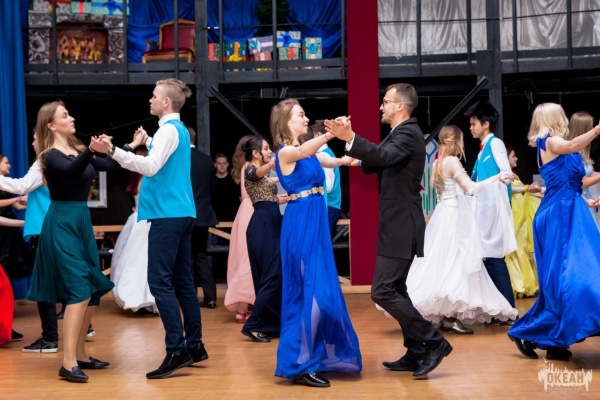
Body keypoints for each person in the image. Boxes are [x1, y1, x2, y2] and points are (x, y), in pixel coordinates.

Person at [325, 83, 451, 378]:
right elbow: (376, 162)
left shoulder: (407, 132)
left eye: (385, 102)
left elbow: (381, 158)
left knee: (382, 291)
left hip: (402, 224)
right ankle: (417, 351)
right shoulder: (400, 134)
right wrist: (354, 149)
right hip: (398, 224)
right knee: (396, 290)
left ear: (400, 106)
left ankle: (435, 342)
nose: (381, 106)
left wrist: (351, 137)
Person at [91, 79, 207, 379]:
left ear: (166, 102)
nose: (150, 100)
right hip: (181, 212)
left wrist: (113, 150)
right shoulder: (175, 130)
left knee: (159, 282)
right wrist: (147, 140)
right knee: (182, 281)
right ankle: (194, 345)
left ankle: (177, 350)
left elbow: (151, 167)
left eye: (154, 96)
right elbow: (163, 158)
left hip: (167, 215)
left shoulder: (168, 131)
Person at [273, 98, 361, 388]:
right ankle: (300, 363)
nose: (306, 119)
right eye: (301, 115)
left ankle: (310, 356)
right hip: (300, 224)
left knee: (318, 292)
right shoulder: (287, 151)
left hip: (315, 222)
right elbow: (303, 151)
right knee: (306, 293)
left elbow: (326, 160)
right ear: (286, 122)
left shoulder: (308, 153)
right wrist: (330, 134)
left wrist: (346, 160)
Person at [26, 101, 115, 383]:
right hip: (61, 222)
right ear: (51, 125)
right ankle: (67, 363)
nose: (71, 118)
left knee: (92, 287)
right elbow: (71, 171)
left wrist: (112, 148)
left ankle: (80, 355)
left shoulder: (77, 149)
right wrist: (91, 150)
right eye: (65, 115)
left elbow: (107, 165)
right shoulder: (49, 155)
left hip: (80, 221)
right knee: (79, 289)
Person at [401, 125, 518, 334]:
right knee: (456, 263)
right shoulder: (452, 162)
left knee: (443, 263)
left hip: (441, 216)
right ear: (457, 141)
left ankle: (447, 316)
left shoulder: (438, 162)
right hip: (454, 217)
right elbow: (471, 188)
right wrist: (496, 178)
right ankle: (450, 315)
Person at [508, 102, 600, 360]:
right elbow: (571, 148)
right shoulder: (548, 142)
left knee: (572, 276)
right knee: (565, 278)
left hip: (572, 209)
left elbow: (573, 184)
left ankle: (556, 341)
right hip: (558, 215)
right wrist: (596, 131)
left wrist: (587, 202)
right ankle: (531, 332)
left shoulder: (560, 145)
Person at [0, 130, 58, 353]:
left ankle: (50, 338)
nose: (32, 143)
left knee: (44, 284)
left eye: (34, 139)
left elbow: (21, 188)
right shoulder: (59, 161)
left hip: (43, 230)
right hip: (50, 228)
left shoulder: (45, 161)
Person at [464, 101, 517, 321]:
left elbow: (506, 175)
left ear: (486, 124)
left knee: (494, 259)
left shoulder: (495, 144)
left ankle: (508, 311)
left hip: (493, 212)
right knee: (488, 259)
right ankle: (500, 310)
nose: (471, 128)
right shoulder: (483, 149)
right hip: (483, 212)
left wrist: (499, 183)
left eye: (474, 123)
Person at [239, 136, 286, 343]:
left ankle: (270, 324)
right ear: (256, 153)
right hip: (263, 225)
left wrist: (294, 197)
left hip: (270, 222)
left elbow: (271, 199)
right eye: (266, 149)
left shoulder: (264, 175)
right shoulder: (250, 169)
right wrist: (271, 165)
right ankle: (253, 324)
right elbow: (254, 174)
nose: (269, 152)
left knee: (272, 275)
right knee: (272, 276)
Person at [110, 176, 156, 313]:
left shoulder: (137, 181)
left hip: (137, 220)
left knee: (134, 260)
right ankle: (145, 298)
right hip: (147, 221)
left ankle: (141, 298)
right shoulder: (149, 179)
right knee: (142, 261)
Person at [224, 136, 255, 323]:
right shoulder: (250, 168)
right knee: (248, 260)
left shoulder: (245, 167)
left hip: (245, 211)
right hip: (252, 212)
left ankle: (247, 305)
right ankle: (244, 307)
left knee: (246, 258)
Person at [504, 147, 541, 298]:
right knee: (517, 248)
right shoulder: (504, 175)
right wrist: (526, 187)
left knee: (523, 247)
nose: (516, 158)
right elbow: (509, 190)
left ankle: (527, 284)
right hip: (514, 214)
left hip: (522, 214)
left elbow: (524, 191)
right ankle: (519, 286)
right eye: (513, 156)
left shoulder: (514, 175)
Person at [189, 127, 219, 309]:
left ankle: (190, 298)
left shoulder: (181, 159)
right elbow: (212, 188)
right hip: (205, 213)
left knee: (187, 257)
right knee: (201, 255)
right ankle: (211, 297)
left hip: (186, 214)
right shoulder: (207, 160)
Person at [298, 122, 343, 235]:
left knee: (319, 239)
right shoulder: (324, 153)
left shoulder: (324, 155)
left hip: (329, 206)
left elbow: (328, 186)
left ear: (318, 135)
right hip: (328, 205)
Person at [0, 153, 33, 283]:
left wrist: (33, 202)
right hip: (2, 228)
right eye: (6, 162)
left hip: (9, 226)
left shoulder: (7, 183)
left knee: (8, 260)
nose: (9, 165)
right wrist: (17, 198)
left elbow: (18, 206)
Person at [567, 111, 600, 230]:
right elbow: (581, 183)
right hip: (578, 201)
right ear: (583, 130)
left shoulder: (583, 151)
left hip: (587, 199)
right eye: (591, 127)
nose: (593, 130)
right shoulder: (572, 154)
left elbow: (590, 173)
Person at [212, 153, 240, 279]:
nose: (222, 166)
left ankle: (231, 278)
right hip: (214, 224)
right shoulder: (210, 181)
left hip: (232, 222)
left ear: (228, 164)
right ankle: (216, 278)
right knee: (214, 252)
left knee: (233, 252)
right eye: (219, 163)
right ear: (215, 165)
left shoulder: (234, 181)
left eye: (224, 163)